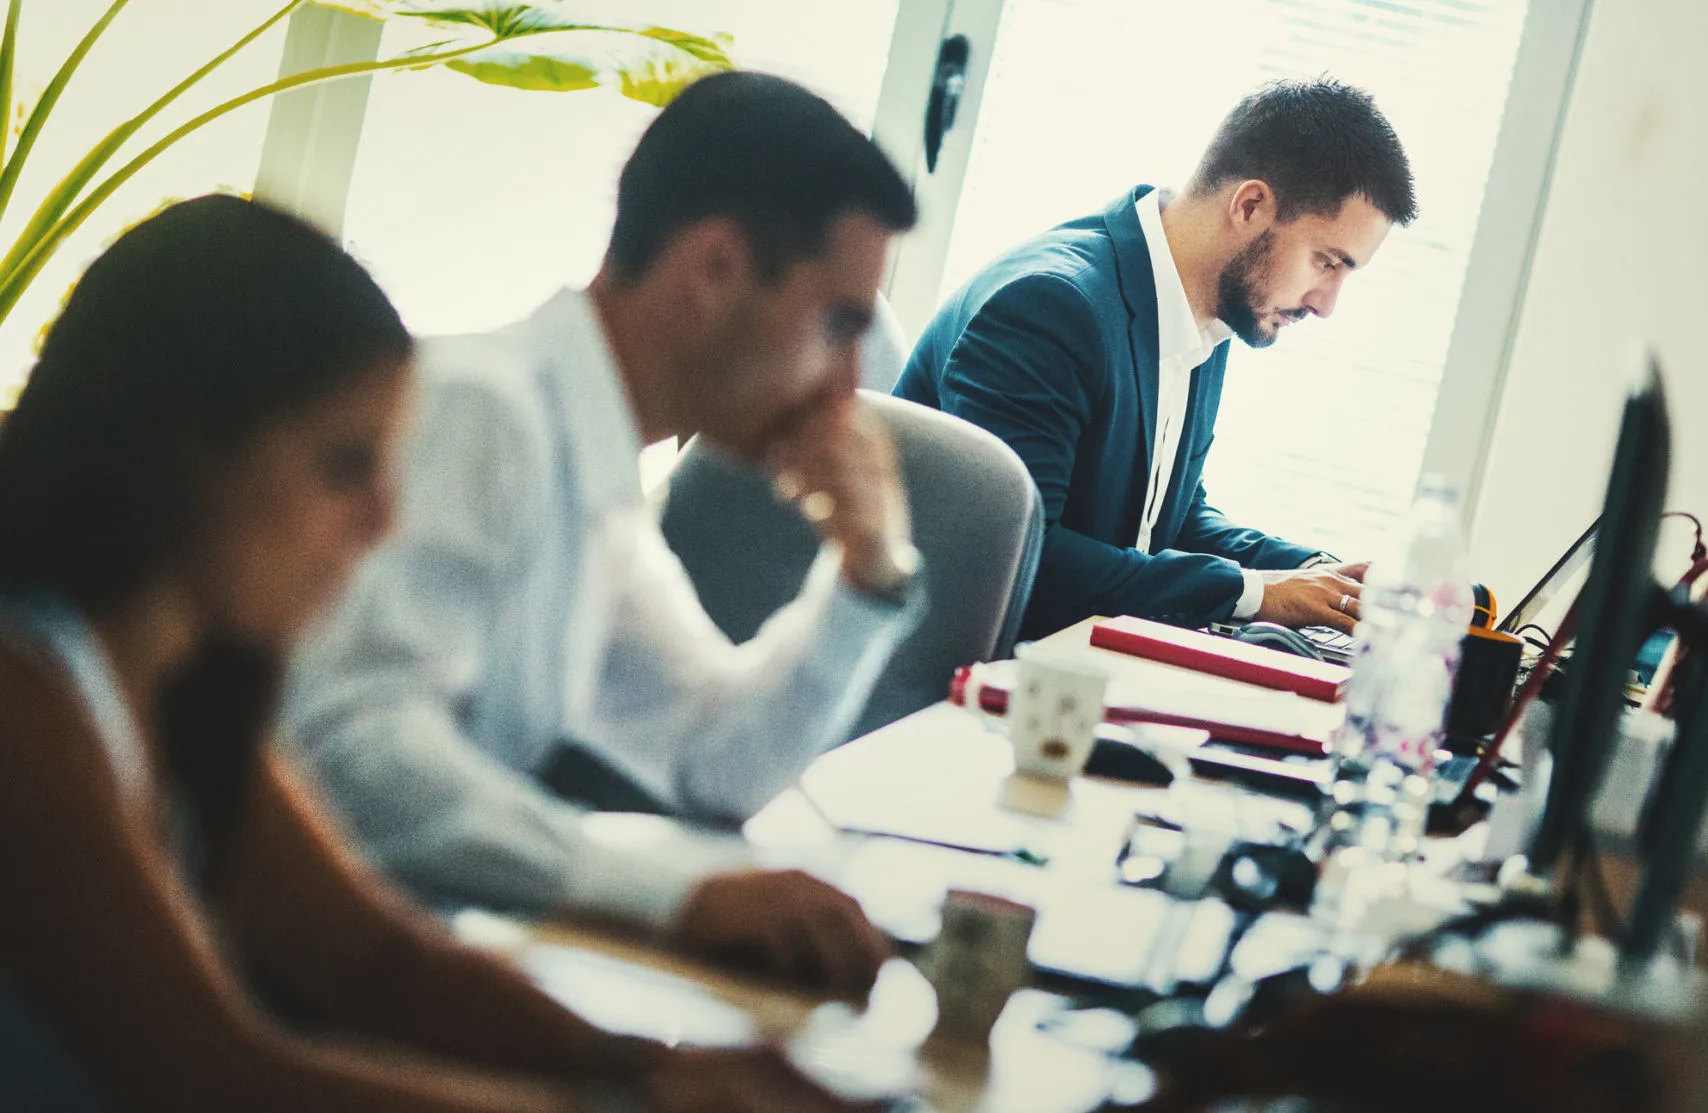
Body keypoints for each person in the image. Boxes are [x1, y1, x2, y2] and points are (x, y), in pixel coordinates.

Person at [0, 195, 864, 1112]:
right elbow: (223, 1076)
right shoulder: (27, 699)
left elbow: (375, 964)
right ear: (186, 450)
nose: (382, 521)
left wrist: (647, 1067)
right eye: (344, 466)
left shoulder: (187, 682)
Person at [283, 72, 920, 989]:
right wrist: (669, 897)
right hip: (280, 989)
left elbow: (711, 763)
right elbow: (351, 753)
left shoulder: (598, 467)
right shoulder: (487, 414)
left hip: (409, 966)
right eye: (838, 324)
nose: (848, 385)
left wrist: (867, 582)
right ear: (714, 271)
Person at [895, 78, 1417, 641]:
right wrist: (1261, 595)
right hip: (943, 689)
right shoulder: (1049, 308)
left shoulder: (1209, 314)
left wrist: (1317, 576)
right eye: (1326, 262)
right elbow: (1022, 558)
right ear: (1250, 205)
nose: (1326, 305)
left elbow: (1168, 518)